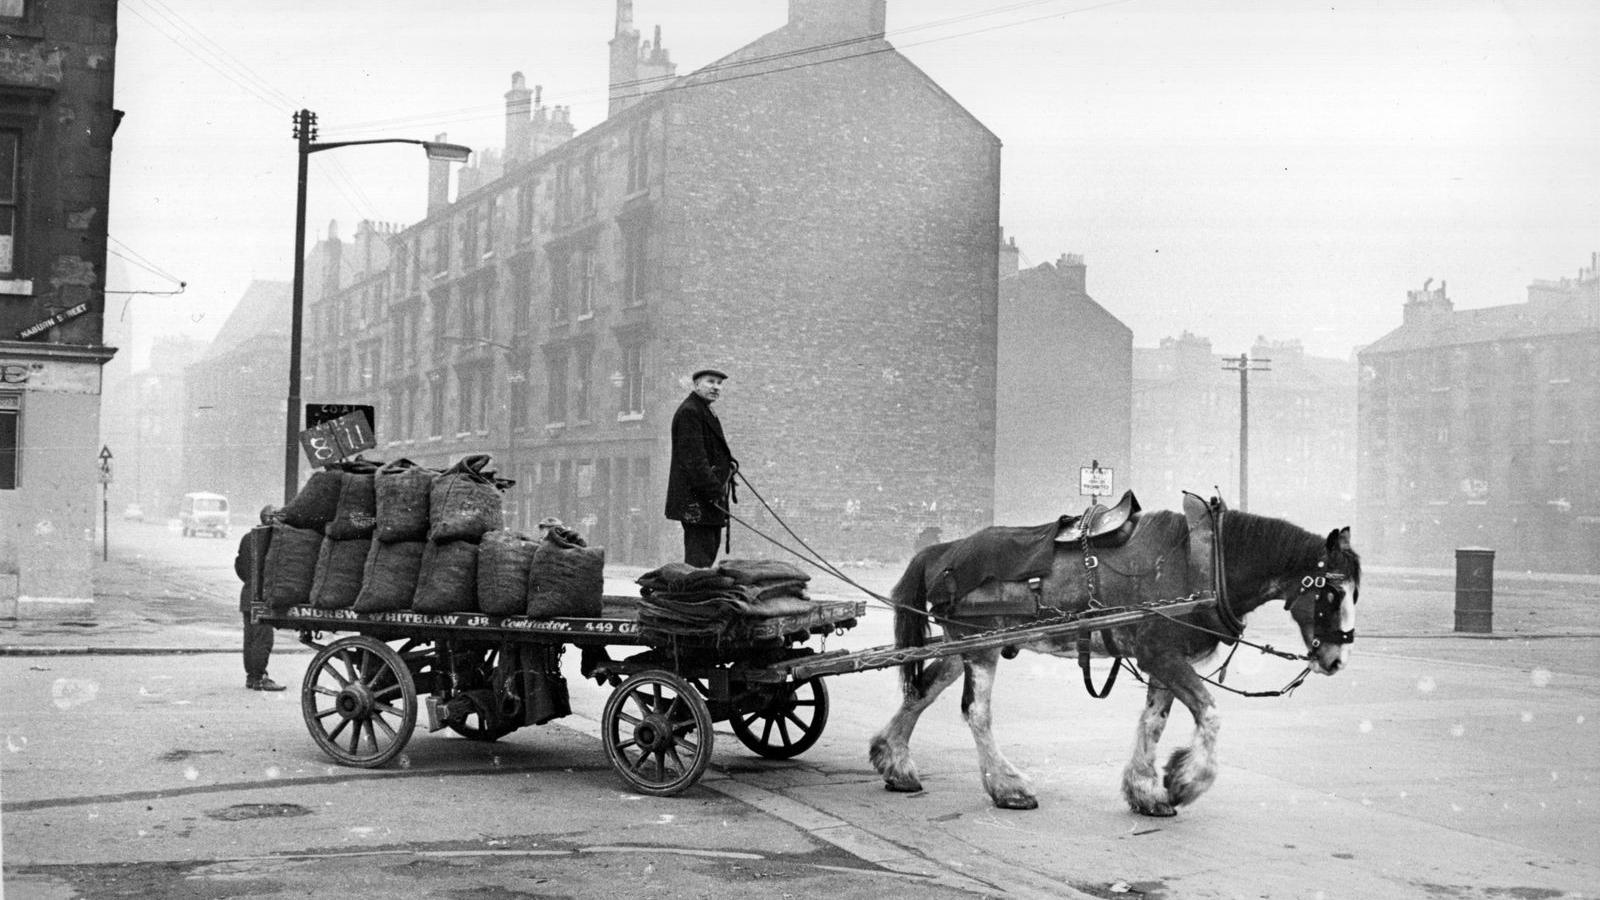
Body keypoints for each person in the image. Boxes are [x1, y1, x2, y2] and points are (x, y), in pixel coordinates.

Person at [665, 367, 738, 567]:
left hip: (706, 499)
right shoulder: (691, 412)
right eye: (710, 382)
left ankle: (695, 594)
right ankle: (691, 597)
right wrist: (714, 491)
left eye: (719, 383)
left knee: (708, 552)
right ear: (696, 385)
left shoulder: (704, 410)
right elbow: (694, 460)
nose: (716, 387)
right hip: (698, 501)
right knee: (699, 560)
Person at [235, 505, 285, 691]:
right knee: (263, 639)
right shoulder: (272, 540)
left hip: (248, 595)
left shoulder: (248, 537)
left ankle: (251, 677)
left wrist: (250, 582)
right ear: (270, 519)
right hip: (261, 598)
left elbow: (240, 566)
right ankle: (259, 678)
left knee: (250, 639)